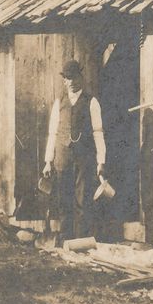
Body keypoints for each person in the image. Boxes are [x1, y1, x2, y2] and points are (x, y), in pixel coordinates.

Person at [42, 60, 106, 243]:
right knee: (64, 198)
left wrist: (101, 161)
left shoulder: (91, 102)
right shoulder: (59, 103)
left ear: (81, 78)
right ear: (64, 81)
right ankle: (64, 238)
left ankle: (80, 240)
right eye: (67, 78)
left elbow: (98, 132)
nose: (71, 82)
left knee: (82, 198)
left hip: (83, 158)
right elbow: (52, 133)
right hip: (62, 156)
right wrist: (48, 160)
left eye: (74, 77)